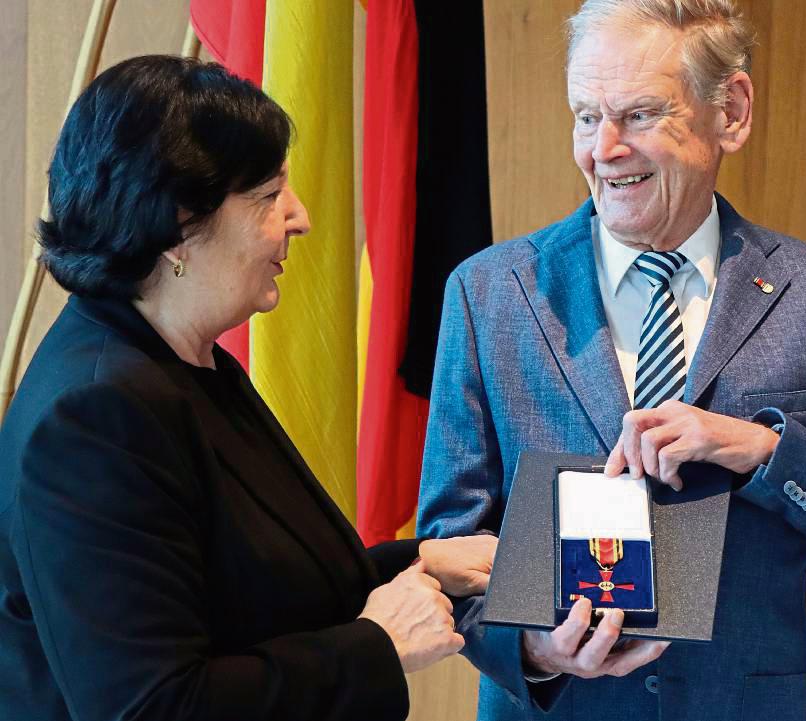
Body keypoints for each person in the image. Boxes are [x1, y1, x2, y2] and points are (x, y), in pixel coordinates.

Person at [416, 1, 806, 720]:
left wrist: (764, 449)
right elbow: (448, 550)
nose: (601, 149)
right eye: (584, 116)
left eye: (637, 115)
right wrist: (535, 650)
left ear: (729, 110)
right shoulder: (489, 294)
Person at [0, 55, 497, 721]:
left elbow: (256, 591)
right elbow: (155, 706)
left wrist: (418, 562)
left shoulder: (182, 358)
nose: (300, 217)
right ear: (178, 224)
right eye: (268, 196)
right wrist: (377, 644)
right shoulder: (93, 415)